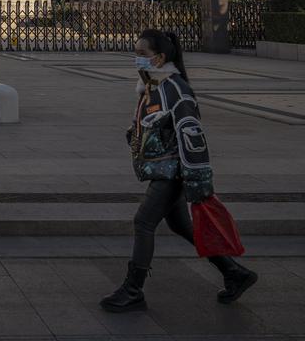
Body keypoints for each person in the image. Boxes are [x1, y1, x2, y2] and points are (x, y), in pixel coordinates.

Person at [100, 28, 258, 313]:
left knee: (144, 222)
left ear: (159, 58)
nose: (137, 59)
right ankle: (234, 272)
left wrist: (197, 180)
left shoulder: (175, 88)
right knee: (180, 225)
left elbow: (193, 135)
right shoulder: (154, 86)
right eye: (135, 54)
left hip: (172, 171)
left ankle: (133, 290)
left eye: (142, 54)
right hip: (165, 167)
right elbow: (155, 123)